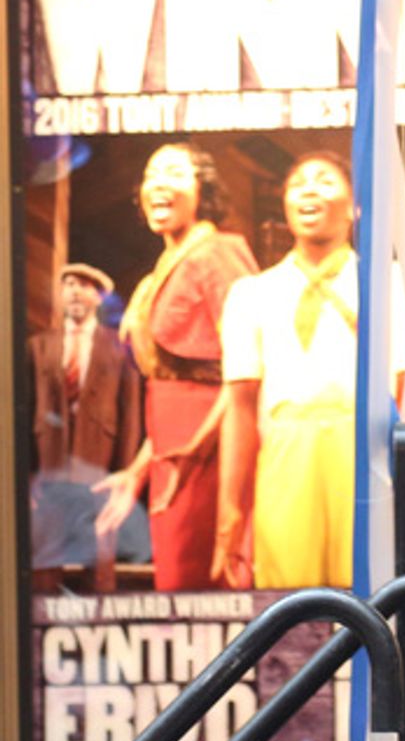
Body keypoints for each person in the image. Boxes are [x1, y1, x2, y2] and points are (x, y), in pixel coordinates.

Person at [95, 143, 257, 591]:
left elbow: (247, 366)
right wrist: (138, 471)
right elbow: (166, 388)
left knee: (206, 580)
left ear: (203, 189)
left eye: (174, 172)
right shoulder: (165, 267)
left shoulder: (218, 253)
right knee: (176, 580)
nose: (159, 183)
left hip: (212, 448)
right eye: (152, 174)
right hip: (171, 447)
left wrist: (196, 448)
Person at [215, 152, 370, 590]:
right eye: (298, 183)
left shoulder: (383, 283)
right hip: (286, 452)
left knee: (366, 595)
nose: (310, 189)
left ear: (354, 205)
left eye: (325, 180)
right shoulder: (252, 293)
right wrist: (230, 510)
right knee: (289, 595)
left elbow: (403, 389)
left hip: (362, 454)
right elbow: (240, 408)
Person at [28, 262, 146, 588]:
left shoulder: (119, 346)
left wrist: (124, 472)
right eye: (68, 284)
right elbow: (26, 410)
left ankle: (99, 611)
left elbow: (130, 414)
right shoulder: (39, 346)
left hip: (100, 468)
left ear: (98, 296)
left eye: (84, 285)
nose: (75, 292)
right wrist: (28, 474)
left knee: (100, 561)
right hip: (50, 469)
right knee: (45, 561)